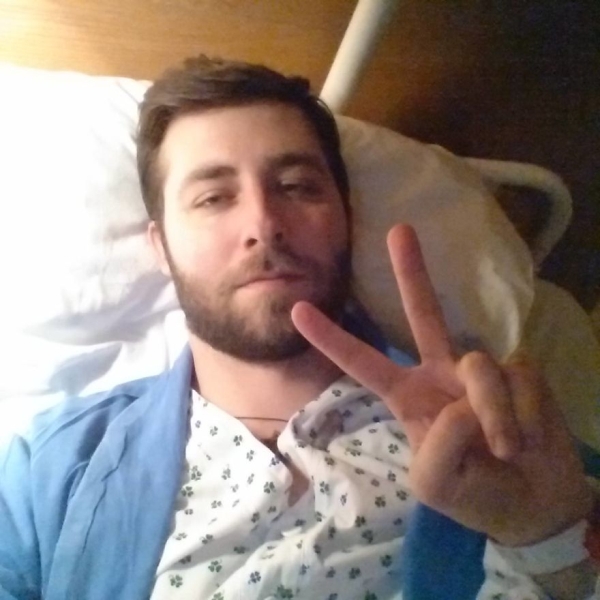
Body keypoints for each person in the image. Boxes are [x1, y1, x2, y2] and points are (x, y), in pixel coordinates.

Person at [0, 55, 598, 600]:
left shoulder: (502, 435)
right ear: (160, 246)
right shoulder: (50, 472)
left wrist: (550, 543)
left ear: (347, 219)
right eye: (213, 198)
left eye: (295, 186)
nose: (263, 222)